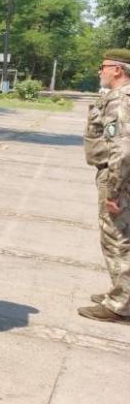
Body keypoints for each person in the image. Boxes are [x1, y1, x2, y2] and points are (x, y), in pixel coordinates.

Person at [79, 49, 130, 324]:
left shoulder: (121, 100)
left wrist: (113, 192)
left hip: (117, 178)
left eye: (104, 67)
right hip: (118, 176)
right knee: (121, 238)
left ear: (118, 70)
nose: (100, 71)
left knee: (116, 239)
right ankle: (121, 292)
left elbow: (122, 150)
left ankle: (120, 304)